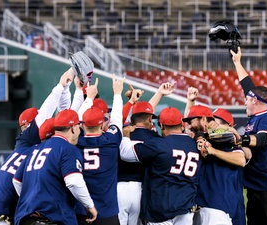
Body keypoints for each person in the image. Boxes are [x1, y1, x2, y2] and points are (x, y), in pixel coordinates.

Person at [0, 68, 74, 225]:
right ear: (30, 125)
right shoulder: (30, 142)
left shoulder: (27, 145)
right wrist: (60, 86)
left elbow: (63, 116)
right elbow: (46, 111)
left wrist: (66, 88)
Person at [231, 47, 267, 225]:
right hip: (255, 185)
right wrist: (237, 62)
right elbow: (248, 87)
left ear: (255, 101)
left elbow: (264, 139)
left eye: (247, 100)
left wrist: (242, 139)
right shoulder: (258, 113)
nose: (244, 102)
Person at [13, 109, 97, 225]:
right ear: (73, 128)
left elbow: (16, 180)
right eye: (78, 127)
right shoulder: (68, 149)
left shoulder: (34, 149)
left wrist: (31, 199)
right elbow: (74, 182)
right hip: (52, 217)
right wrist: (89, 205)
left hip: (25, 217)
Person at [120, 107, 199, 225]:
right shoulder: (195, 144)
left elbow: (126, 154)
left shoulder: (158, 144)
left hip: (161, 207)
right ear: (181, 125)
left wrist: (126, 135)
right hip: (186, 206)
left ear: (161, 126)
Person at [75, 74, 125, 225]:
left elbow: (74, 121)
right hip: (107, 212)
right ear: (102, 123)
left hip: (81, 212)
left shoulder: (76, 142)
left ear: (83, 125)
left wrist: (88, 97)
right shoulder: (110, 141)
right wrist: (117, 94)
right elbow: (117, 119)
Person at [185, 106, 246, 225]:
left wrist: (213, 150)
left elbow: (241, 159)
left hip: (218, 205)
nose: (212, 124)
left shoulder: (225, 138)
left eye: (215, 121)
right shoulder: (199, 136)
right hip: (202, 204)